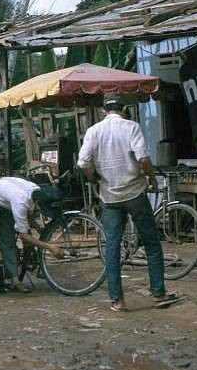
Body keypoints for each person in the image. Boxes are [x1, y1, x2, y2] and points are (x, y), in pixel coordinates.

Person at [78, 92, 182, 312]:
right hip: (135, 193)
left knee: (112, 247)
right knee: (152, 244)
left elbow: (83, 163)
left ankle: (118, 300)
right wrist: (152, 178)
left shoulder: (93, 131)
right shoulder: (131, 127)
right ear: (124, 109)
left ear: (104, 110)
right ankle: (158, 294)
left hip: (109, 197)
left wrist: (95, 180)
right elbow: (143, 158)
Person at [0, 176, 65, 293]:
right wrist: (50, 247)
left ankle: (15, 281)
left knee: (8, 242)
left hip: (7, 203)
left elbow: (28, 214)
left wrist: (38, 228)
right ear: (38, 203)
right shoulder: (21, 201)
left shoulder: (37, 192)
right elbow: (24, 236)